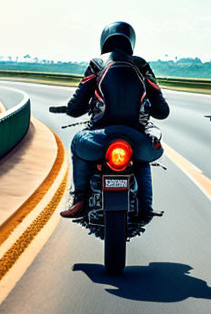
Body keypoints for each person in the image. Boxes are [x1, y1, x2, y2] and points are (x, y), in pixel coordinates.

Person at [55, 21, 169, 221]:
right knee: (142, 161)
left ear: (104, 40)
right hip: (136, 139)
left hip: (100, 139)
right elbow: (162, 111)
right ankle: (146, 208)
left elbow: (75, 108)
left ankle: (80, 200)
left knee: (77, 144)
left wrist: (72, 107)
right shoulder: (142, 66)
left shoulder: (96, 64)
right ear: (131, 41)